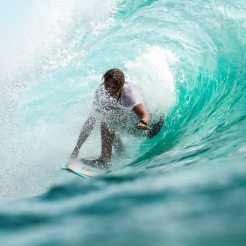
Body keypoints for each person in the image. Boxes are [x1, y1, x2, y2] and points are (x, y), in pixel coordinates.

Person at [70, 68, 163, 169]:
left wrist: (143, 122)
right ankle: (121, 153)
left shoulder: (129, 94)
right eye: (107, 85)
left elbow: (145, 114)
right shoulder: (101, 92)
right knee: (106, 115)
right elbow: (91, 121)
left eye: (114, 87)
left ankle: (104, 161)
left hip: (151, 128)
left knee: (106, 122)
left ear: (120, 87)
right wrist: (77, 148)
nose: (109, 90)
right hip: (133, 123)